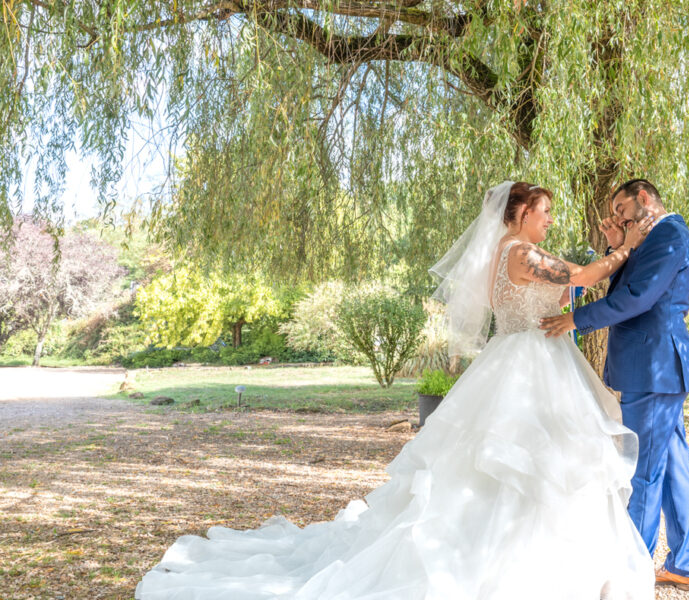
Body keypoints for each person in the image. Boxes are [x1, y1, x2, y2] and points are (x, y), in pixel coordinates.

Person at [135, 181, 653, 599]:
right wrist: (626, 248)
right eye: (544, 212)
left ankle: (558, 561)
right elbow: (583, 275)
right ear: (519, 215)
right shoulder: (520, 252)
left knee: (544, 460)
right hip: (527, 363)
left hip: (536, 359)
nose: (549, 221)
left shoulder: (518, 252)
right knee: (519, 461)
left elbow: (571, 287)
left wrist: (610, 252)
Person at [540, 178, 689, 592]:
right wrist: (617, 247)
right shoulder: (653, 237)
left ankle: (634, 569)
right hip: (655, 367)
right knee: (674, 467)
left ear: (644, 199)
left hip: (654, 366)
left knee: (645, 472)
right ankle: (685, 563)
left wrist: (576, 319)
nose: (618, 217)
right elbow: (631, 280)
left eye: (622, 210)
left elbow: (637, 296)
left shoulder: (669, 235)